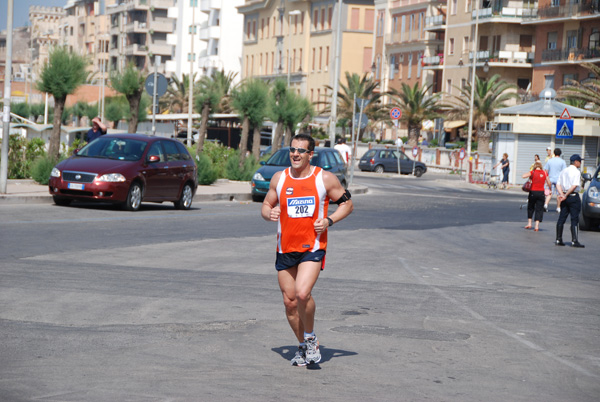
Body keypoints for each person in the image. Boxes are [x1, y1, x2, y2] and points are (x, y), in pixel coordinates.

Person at [261, 133, 354, 366]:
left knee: (303, 293)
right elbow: (266, 204)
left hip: (312, 246)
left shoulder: (324, 179)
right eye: (293, 149)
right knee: (290, 302)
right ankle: (302, 346)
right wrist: (268, 213)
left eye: (301, 150)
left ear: (310, 154)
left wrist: (329, 221)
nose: (295, 154)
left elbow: (347, 204)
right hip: (285, 248)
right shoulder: (279, 179)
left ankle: (311, 339)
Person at [555, 154, 585, 248]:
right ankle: (574, 240)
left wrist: (562, 195)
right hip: (572, 196)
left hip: (564, 197)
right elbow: (574, 186)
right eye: (579, 161)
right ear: (575, 162)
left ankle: (558, 239)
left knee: (562, 218)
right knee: (574, 218)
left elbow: (558, 184)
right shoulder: (576, 171)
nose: (580, 163)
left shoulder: (564, 170)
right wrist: (566, 194)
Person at [522, 161, 551, 231]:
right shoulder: (544, 173)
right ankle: (536, 226)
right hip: (541, 192)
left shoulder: (533, 172)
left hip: (533, 192)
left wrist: (530, 172)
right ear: (541, 166)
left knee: (531, 207)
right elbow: (549, 182)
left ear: (535, 166)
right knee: (539, 208)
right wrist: (549, 188)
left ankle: (529, 223)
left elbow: (523, 176)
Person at [544, 148, 567, 213]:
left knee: (549, 193)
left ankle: (545, 205)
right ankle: (558, 207)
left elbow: (546, 170)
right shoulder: (562, 161)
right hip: (558, 180)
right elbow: (564, 172)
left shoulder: (550, 160)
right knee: (559, 194)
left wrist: (546, 179)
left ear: (554, 153)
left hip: (550, 179)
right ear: (560, 154)